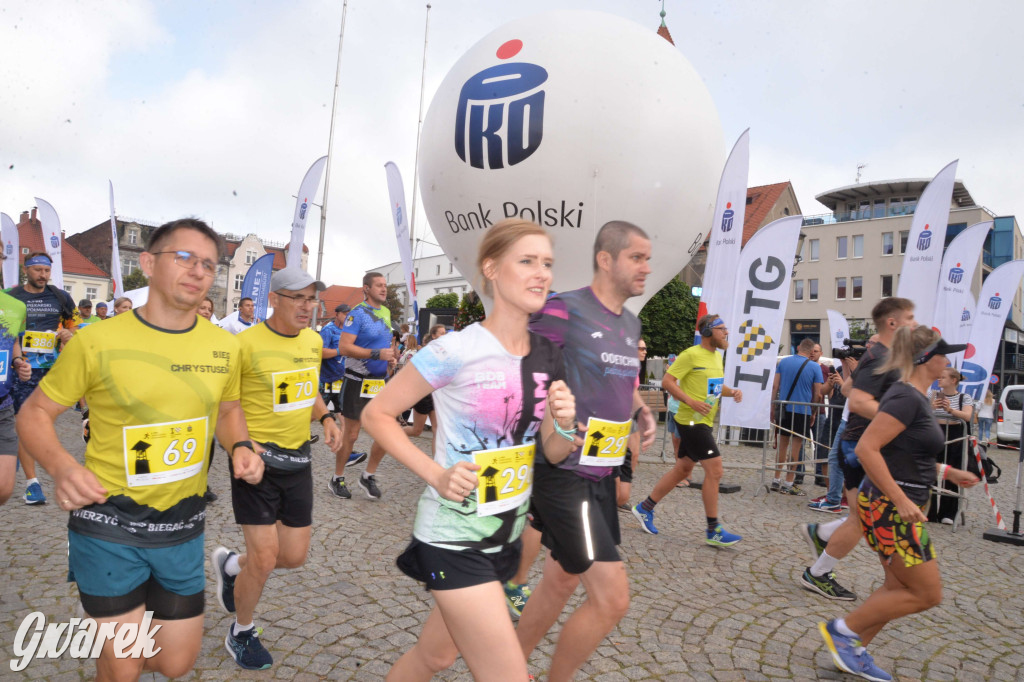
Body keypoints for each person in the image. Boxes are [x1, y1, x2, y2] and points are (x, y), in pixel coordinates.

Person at [16, 218, 263, 681]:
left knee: (175, 663)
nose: (198, 271)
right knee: (125, 664)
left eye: (208, 264)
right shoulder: (97, 340)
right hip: (108, 520)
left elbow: (229, 410)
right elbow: (33, 414)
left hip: (182, 525)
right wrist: (63, 468)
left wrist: (241, 445)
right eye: (184, 258)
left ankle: (109, 648)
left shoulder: (224, 347)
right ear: (148, 263)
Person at [361, 219, 579, 681]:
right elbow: (376, 414)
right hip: (454, 538)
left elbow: (555, 451)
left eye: (547, 263)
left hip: (505, 535)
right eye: (527, 261)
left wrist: (564, 424)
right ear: (492, 269)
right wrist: (436, 474)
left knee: (434, 657)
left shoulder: (548, 355)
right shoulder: (456, 350)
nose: (541, 273)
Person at [515, 220, 657, 682]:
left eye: (648, 259)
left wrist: (641, 411)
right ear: (605, 259)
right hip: (562, 470)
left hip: (600, 472)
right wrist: (550, 417)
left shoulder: (631, 322)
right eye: (637, 257)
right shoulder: (564, 309)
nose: (646, 267)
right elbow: (522, 366)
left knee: (561, 578)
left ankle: (507, 669)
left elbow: (623, 379)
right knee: (612, 599)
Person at [818, 327, 979, 682]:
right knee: (926, 593)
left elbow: (901, 453)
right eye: (942, 354)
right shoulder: (907, 397)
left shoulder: (915, 397)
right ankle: (843, 631)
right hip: (891, 509)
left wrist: (947, 471)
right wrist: (901, 499)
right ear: (924, 359)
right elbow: (867, 449)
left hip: (892, 504)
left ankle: (853, 651)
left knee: (896, 588)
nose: (947, 361)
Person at [211, 266, 343, 670]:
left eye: (311, 298)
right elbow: (225, 408)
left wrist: (326, 417)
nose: (307, 306)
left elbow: (308, 388)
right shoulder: (244, 345)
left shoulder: (312, 340)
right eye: (297, 298)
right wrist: (241, 447)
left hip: (298, 461)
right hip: (256, 462)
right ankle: (241, 631)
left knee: (294, 556)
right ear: (274, 299)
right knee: (265, 557)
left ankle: (231, 566)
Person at [799, 299, 915, 603]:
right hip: (861, 445)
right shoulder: (880, 357)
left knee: (861, 516)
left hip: (859, 442)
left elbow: (849, 389)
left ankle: (822, 537)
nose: (914, 324)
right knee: (865, 518)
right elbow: (858, 400)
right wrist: (903, 417)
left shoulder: (879, 356)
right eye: (910, 318)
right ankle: (819, 570)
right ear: (892, 323)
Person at [632, 314, 744, 545]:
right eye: (722, 329)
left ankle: (645, 508)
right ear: (707, 332)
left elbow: (713, 386)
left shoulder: (716, 356)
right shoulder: (690, 354)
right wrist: (690, 402)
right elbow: (667, 382)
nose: (726, 333)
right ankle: (713, 530)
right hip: (691, 421)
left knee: (683, 469)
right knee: (715, 471)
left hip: (704, 421)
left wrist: (731, 391)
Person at [8, 251, 78, 505]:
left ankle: (17, 452)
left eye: (47, 271)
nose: (43, 275)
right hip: (22, 368)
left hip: (51, 370)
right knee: (25, 423)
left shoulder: (61, 297)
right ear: (26, 270)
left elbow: (74, 327)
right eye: (38, 270)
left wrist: (69, 334)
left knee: (42, 424)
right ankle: (32, 484)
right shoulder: (12, 297)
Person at [329, 272, 395, 500]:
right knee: (352, 434)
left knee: (386, 432)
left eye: (385, 285)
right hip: (357, 380)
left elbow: (385, 342)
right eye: (379, 285)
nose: (384, 289)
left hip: (379, 382)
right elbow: (344, 347)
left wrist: (390, 357)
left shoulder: (386, 312)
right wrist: (376, 354)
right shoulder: (356, 314)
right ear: (366, 288)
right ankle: (337, 478)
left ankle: (368, 476)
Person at [771, 339, 823, 495]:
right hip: (802, 410)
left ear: (799, 347)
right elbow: (818, 394)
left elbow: (775, 386)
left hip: (784, 408)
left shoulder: (784, 362)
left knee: (782, 445)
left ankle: (776, 479)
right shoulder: (815, 367)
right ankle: (788, 483)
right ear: (811, 351)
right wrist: (813, 412)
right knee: (796, 448)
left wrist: (772, 407)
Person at [929, 367, 973, 524]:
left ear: (953, 380)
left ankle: (948, 513)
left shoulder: (964, 397)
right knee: (931, 471)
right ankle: (929, 511)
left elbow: (967, 416)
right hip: (935, 433)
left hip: (955, 435)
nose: (939, 379)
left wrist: (950, 410)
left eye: (943, 377)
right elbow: (921, 412)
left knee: (951, 472)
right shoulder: (932, 394)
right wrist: (931, 407)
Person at [0, 290, 32, 505]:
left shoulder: (17, 306)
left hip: (2, 406)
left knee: (3, 488)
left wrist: (18, 362)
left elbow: (13, 342)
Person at [402, 324, 446, 454]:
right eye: (441, 333)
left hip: (436, 394)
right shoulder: (426, 352)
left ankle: (437, 461)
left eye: (445, 333)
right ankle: (393, 435)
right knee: (417, 430)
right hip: (423, 395)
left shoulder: (444, 352)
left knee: (437, 430)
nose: (444, 336)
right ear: (434, 336)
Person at [196, 295, 219, 503]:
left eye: (208, 309)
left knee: (209, 442)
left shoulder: (215, 335)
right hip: (186, 397)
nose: (205, 312)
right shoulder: (180, 333)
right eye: (202, 308)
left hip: (209, 398)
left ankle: (202, 483)